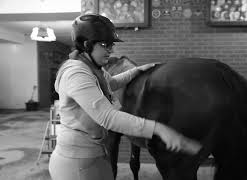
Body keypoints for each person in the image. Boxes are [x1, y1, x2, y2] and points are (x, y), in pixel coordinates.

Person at [48, 13, 202, 180]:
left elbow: (112, 83)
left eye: (111, 45)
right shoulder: (77, 74)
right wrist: (160, 129)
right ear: (86, 45)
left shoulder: (93, 68)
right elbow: (108, 117)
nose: (111, 50)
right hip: (76, 162)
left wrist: (137, 70)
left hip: (93, 154)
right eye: (105, 44)